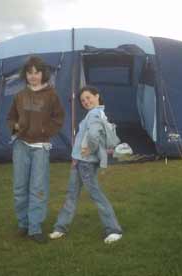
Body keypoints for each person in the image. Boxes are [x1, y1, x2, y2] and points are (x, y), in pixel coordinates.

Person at [49, 86, 123, 244]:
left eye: (89, 97)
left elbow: (93, 136)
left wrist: (87, 151)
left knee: (95, 195)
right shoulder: (93, 113)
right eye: (83, 100)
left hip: (86, 164)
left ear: (97, 96)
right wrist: (76, 157)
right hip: (80, 162)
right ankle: (60, 227)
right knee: (71, 194)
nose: (86, 102)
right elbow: (86, 137)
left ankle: (114, 230)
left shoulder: (95, 113)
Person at [7, 56, 65, 243]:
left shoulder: (52, 95)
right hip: (21, 145)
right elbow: (10, 117)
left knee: (38, 188)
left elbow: (58, 118)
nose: (33, 76)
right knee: (19, 187)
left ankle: (35, 228)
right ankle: (23, 224)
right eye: (30, 73)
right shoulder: (19, 95)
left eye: (37, 72)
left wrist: (45, 131)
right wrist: (15, 126)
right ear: (26, 74)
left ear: (43, 74)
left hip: (40, 147)